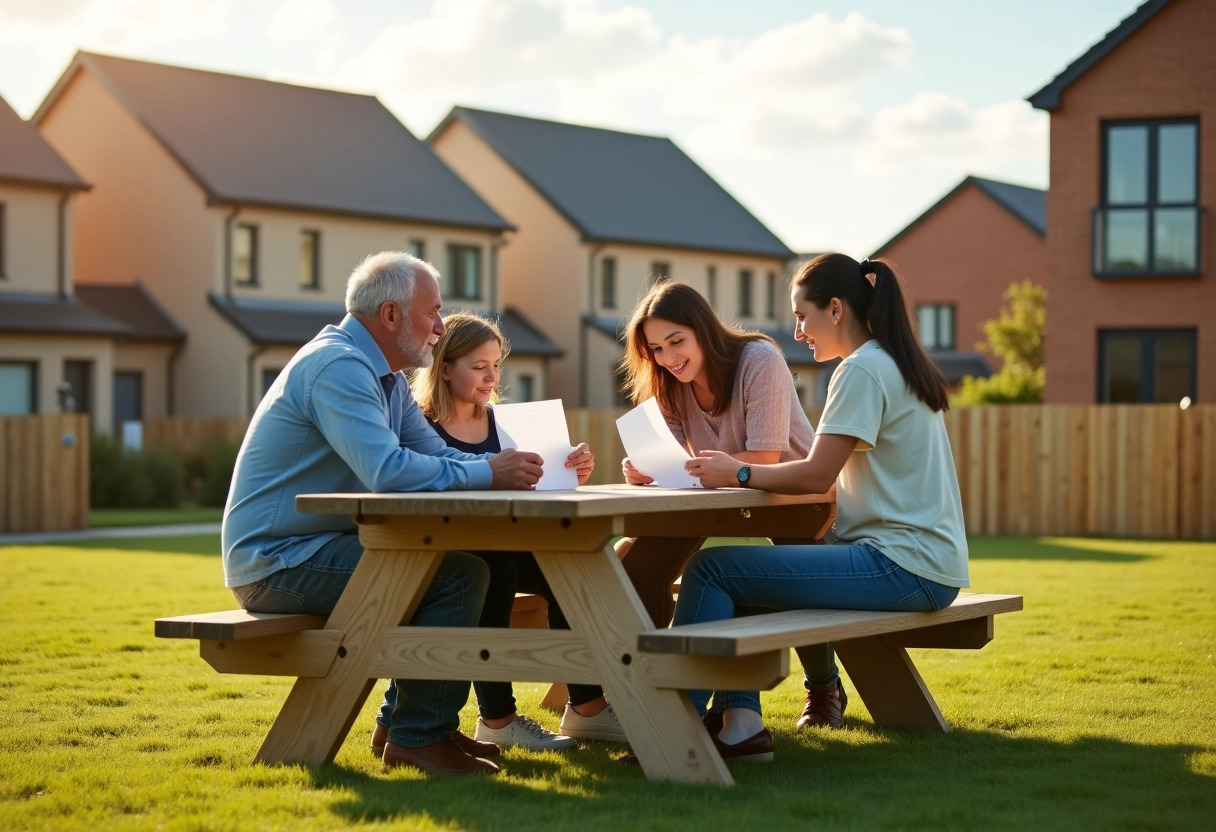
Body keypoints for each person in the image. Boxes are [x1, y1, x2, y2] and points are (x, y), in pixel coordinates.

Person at [222, 251, 546, 777]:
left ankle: (406, 727)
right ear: (391, 315)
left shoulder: (386, 377)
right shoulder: (339, 367)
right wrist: (492, 474)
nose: (441, 328)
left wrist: (508, 464)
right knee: (459, 576)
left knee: (465, 568)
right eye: (433, 312)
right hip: (279, 563)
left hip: (315, 549)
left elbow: (437, 456)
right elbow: (389, 472)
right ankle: (418, 739)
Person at [678, 253, 969, 762]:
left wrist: (739, 472)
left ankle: (673, 726)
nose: (797, 331)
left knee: (712, 570)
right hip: (926, 562)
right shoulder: (891, 362)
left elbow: (816, 473)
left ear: (835, 309)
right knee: (743, 574)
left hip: (901, 563)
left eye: (802, 315)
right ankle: (738, 724)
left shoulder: (860, 371)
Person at [412, 313, 627, 746]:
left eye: (496, 365)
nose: (492, 377)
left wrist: (570, 471)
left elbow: (537, 487)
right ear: (445, 367)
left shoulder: (506, 424)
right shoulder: (419, 428)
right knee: (495, 570)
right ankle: (498, 719)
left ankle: (587, 707)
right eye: (479, 366)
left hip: (511, 542)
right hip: (448, 554)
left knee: (572, 567)